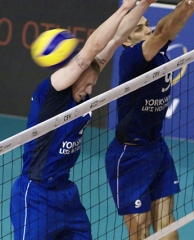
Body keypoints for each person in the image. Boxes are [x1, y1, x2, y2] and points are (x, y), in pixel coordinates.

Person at [10, 0, 158, 239]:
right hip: (36, 194)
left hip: (66, 193)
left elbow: (117, 39)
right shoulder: (54, 90)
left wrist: (143, 4)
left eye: (93, 84)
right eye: (87, 84)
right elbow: (91, 48)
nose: (89, 90)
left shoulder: (88, 77)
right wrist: (123, 7)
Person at [105, 0, 194, 239]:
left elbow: (168, 26)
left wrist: (190, 5)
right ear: (126, 40)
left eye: (147, 24)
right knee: (139, 231)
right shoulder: (132, 59)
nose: (147, 29)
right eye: (139, 28)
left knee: (166, 224)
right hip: (130, 156)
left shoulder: (158, 51)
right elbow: (161, 31)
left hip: (156, 147)